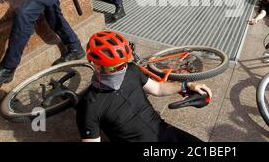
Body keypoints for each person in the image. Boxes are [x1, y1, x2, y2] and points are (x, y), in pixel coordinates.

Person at [76, 31, 212, 142]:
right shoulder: (89, 106)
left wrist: (186, 85)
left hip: (163, 131)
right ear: (96, 65)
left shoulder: (132, 70)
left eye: (124, 63)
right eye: (115, 67)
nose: (122, 70)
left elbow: (158, 88)